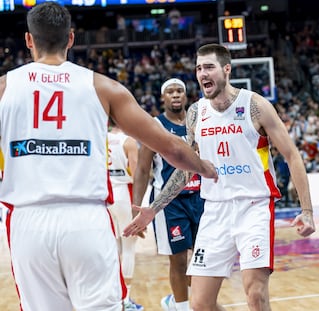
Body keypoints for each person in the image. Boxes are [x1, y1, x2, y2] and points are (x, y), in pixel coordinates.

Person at [0, 3, 217, 311]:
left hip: (27, 222)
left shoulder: (5, 87)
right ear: (71, 39)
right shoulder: (104, 87)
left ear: (29, 40)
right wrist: (206, 168)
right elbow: (169, 147)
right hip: (85, 220)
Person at [124, 43, 316, 311]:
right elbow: (187, 167)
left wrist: (306, 210)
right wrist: (153, 209)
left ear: (227, 69)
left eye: (209, 67)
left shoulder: (255, 106)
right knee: (200, 304)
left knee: (256, 294)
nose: (202, 73)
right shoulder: (196, 112)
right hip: (214, 210)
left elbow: (292, 155)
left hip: (254, 207)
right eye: (199, 68)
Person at [133, 78, 203, 311]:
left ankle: (183, 302)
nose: (175, 95)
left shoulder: (198, 123)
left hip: (201, 198)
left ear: (186, 96)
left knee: (202, 259)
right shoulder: (155, 126)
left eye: (179, 91)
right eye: (170, 92)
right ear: (162, 97)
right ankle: (182, 308)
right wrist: (136, 207)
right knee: (179, 259)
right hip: (169, 203)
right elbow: (143, 169)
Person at [107, 118, 143, 311]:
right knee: (129, 248)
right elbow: (137, 174)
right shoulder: (128, 141)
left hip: (106, 194)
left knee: (113, 248)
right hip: (124, 194)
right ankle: (126, 299)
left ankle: (113, 296)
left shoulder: (101, 137)